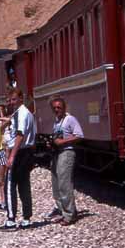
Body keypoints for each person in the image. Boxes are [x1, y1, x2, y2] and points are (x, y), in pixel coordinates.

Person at [0, 88, 36, 230]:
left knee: (10, 184)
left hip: (20, 152)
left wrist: (12, 156)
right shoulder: (24, 113)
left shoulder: (22, 113)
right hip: (27, 152)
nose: (11, 102)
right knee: (24, 185)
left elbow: (20, 134)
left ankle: (11, 219)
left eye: (14, 99)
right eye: (9, 100)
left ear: (21, 98)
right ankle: (27, 218)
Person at [43, 96, 84, 226]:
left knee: (64, 183)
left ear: (64, 108)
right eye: (54, 108)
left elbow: (79, 135)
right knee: (56, 183)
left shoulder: (70, 119)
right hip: (57, 153)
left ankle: (70, 215)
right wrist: (53, 144)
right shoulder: (57, 122)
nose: (56, 110)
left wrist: (62, 142)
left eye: (59, 107)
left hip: (67, 152)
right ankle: (63, 211)